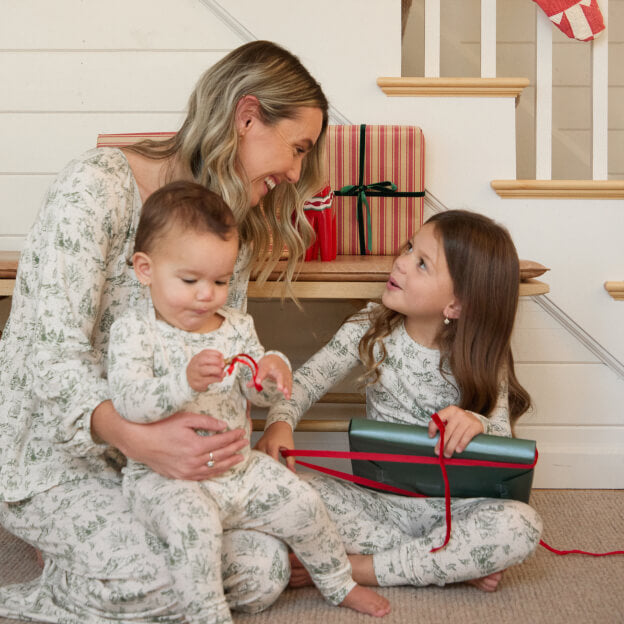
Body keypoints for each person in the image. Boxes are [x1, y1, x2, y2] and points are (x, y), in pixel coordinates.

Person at [0, 40, 333, 623]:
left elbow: (226, 348)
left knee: (263, 569)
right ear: (247, 116)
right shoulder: (96, 186)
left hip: (158, 471)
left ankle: (89, 567)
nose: (296, 173)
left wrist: (259, 417)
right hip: (53, 454)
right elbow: (46, 356)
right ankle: (38, 598)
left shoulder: (230, 226)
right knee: (167, 575)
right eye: (298, 148)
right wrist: (137, 438)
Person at [108, 181, 390, 622]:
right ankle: (208, 615)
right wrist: (184, 382)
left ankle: (338, 581)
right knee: (193, 532)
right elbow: (129, 403)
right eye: (190, 280)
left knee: (303, 502)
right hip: (166, 481)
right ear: (145, 269)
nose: (207, 294)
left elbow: (253, 386)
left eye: (220, 280)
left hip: (238, 469)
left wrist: (271, 372)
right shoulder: (133, 331)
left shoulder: (235, 325)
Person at [257, 209, 544, 594]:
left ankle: (351, 568)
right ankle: (445, 562)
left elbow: (503, 443)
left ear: (456, 306)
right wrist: (280, 421)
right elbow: (306, 381)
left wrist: (476, 422)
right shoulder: (372, 327)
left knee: (522, 526)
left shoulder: (484, 358)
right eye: (410, 247)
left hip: (458, 511)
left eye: (422, 263)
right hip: (379, 508)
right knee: (272, 489)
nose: (401, 262)